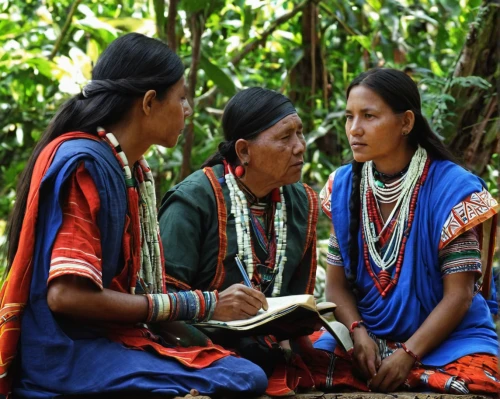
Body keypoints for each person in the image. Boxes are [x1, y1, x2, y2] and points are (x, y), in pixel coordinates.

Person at [0, 33, 267, 398]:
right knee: (240, 378)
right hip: (67, 354)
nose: (188, 110)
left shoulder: (128, 169)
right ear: (149, 102)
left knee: (242, 367)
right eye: (182, 97)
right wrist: (202, 303)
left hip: (110, 340)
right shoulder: (86, 163)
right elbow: (65, 296)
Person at [312, 68, 500, 394]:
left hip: (447, 339)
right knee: (303, 366)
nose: (354, 129)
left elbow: (460, 295)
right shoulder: (341, 187)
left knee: (480, 378)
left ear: (406, 123)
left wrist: (407, 355)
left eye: (369, 116)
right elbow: (336, 288)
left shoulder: (453, 190)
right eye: (349, 117)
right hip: (366, 338)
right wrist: (357, 333)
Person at [158, 87, 319, 394]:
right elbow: (161, 306)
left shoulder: (302, 203)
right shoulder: (193, 201)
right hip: (198, 347)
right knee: (247, 375)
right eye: (285, 138)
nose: (300, 147)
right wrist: (211, 346)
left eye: (300, 134)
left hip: (265, 350)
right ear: (244, 151)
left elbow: (298, 309)